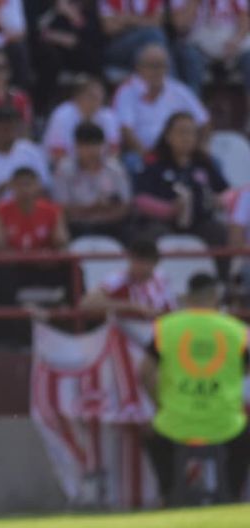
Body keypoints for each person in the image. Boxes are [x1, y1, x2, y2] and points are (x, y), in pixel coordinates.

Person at [139, 272, 250, 503]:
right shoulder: (237, 330)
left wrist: (160, 403)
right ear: (215, 298)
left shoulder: (166, 327)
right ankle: (232, 495)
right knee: (243, 438)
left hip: (175, 422)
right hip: (225, 423)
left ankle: (168, 494)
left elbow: (144, 372)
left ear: (187, 298)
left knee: (151, 433)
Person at [133, 111, 229, 247]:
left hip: (199, 222)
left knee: (218, 231)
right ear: (168, 135)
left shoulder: (204, 164)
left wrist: (219, 200)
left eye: (191, 133)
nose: (187, 138)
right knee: (152, 234)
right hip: (162, 223)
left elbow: (226, 191)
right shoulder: (153, 163)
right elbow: (140, 199)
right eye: (182, 132)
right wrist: (169, 209)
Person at [114, 43, 210, 162]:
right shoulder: (127, 91)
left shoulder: (178, 90)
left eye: (161, 66)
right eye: (152, 66)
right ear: (139, 67)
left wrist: (200, 147)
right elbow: (126, 130)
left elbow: (204, 122)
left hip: (179, 155)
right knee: (132, 161)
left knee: (212, 162)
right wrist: (148, 157)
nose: (157, 71)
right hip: (144, 153)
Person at [0, 167, 70, 303]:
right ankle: (6, 321)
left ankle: (77, 318)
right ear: (12, 186)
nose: (24, 190)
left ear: (38, 186)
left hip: (44, 267)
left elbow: (61, 243)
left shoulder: (52, 210)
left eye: (28, 184)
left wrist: (52, 253)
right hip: (15, 268)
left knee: (72, 269)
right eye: (19, 185)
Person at [52, 121, 133, 240]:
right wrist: (92, 208)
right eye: (86, 145)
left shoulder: (115, 169)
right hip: (76, 227)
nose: (91, 150)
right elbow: (60, 208)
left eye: (95, 145)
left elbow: (125, 206)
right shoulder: (64, 170)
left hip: (112, 226)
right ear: (76, 146)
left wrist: (104, 213)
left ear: (103, 146)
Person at [31, 0, 104, 110]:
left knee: (93, 55)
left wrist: (74, 17)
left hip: (79, 53)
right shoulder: (44, 6)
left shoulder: (87, 8)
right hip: (51, 53)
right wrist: (58, 37)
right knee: (50, 60)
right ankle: (40, 110)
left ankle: (98, 103)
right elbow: (34, 32)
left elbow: (93, 36)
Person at [79, 236, 176, 319]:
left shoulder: (161, 278)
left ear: (155, 263)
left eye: (145, 263)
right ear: (130, 259)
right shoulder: (117, 279)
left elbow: (171, 306)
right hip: (126, 331)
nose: (140, 267)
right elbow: (87, 304)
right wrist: (131, 307)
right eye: (137, 262)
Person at [173, 0, 250, 98]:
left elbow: (245, 22)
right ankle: (192, 109)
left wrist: (236, 41)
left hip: (231, 42)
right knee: (190, 58)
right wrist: (194, 4)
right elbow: (180, 26)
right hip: (199, 44)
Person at [42, 75, 121, 164]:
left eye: (99, 96)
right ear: (78, 96)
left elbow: (114, 151)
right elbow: (57, 153)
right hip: (65, 166)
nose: (97, 100)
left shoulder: (107, 116)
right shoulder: (63, 115)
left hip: (98, 168)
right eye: (92, 96)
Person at [101, 0, 170, 73]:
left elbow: (156, 23)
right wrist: (144, 22)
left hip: (143, 44)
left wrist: (128, 20)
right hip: (116, 45)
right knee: (154, 35)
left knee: (152, 39)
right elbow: (110, 28)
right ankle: (168, 79)